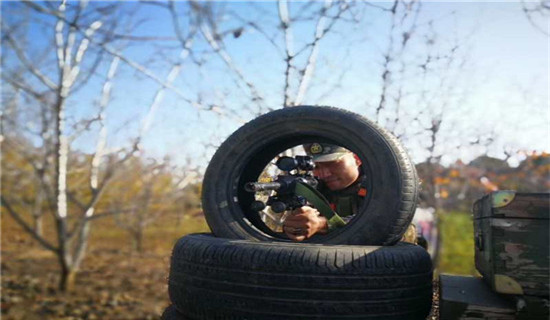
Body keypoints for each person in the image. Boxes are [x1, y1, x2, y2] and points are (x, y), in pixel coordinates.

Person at [283, 143, 366, 241]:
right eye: (316, 167)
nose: (324, 174)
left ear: (357, 158)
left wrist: (323, 224)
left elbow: (376, 221)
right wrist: (295, 225)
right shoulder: (316, 189)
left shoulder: (380, 185)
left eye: (332, 163)